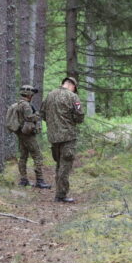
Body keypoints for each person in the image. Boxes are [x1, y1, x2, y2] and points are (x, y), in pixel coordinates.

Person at [40, 75, 85, 203]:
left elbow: (42, 114)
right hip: (68, 137)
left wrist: (54, 124)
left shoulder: (49, 95)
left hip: (53, 137)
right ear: (73, 86)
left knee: (59, 165)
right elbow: (80, 116)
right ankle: (61, 195)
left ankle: (59, 192)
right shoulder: (73, 97)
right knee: (65, 166)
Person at [6, 84, 51, 188]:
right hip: (27, 135)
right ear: (29, 94)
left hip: (21, 134)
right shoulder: (26, 105)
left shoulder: (18, 104)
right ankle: (40, 181)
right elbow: (29, 117)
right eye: (32, 94)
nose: (33, 96)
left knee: (23, 156)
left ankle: (23, 180)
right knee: (37, 156)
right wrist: (39, 115)